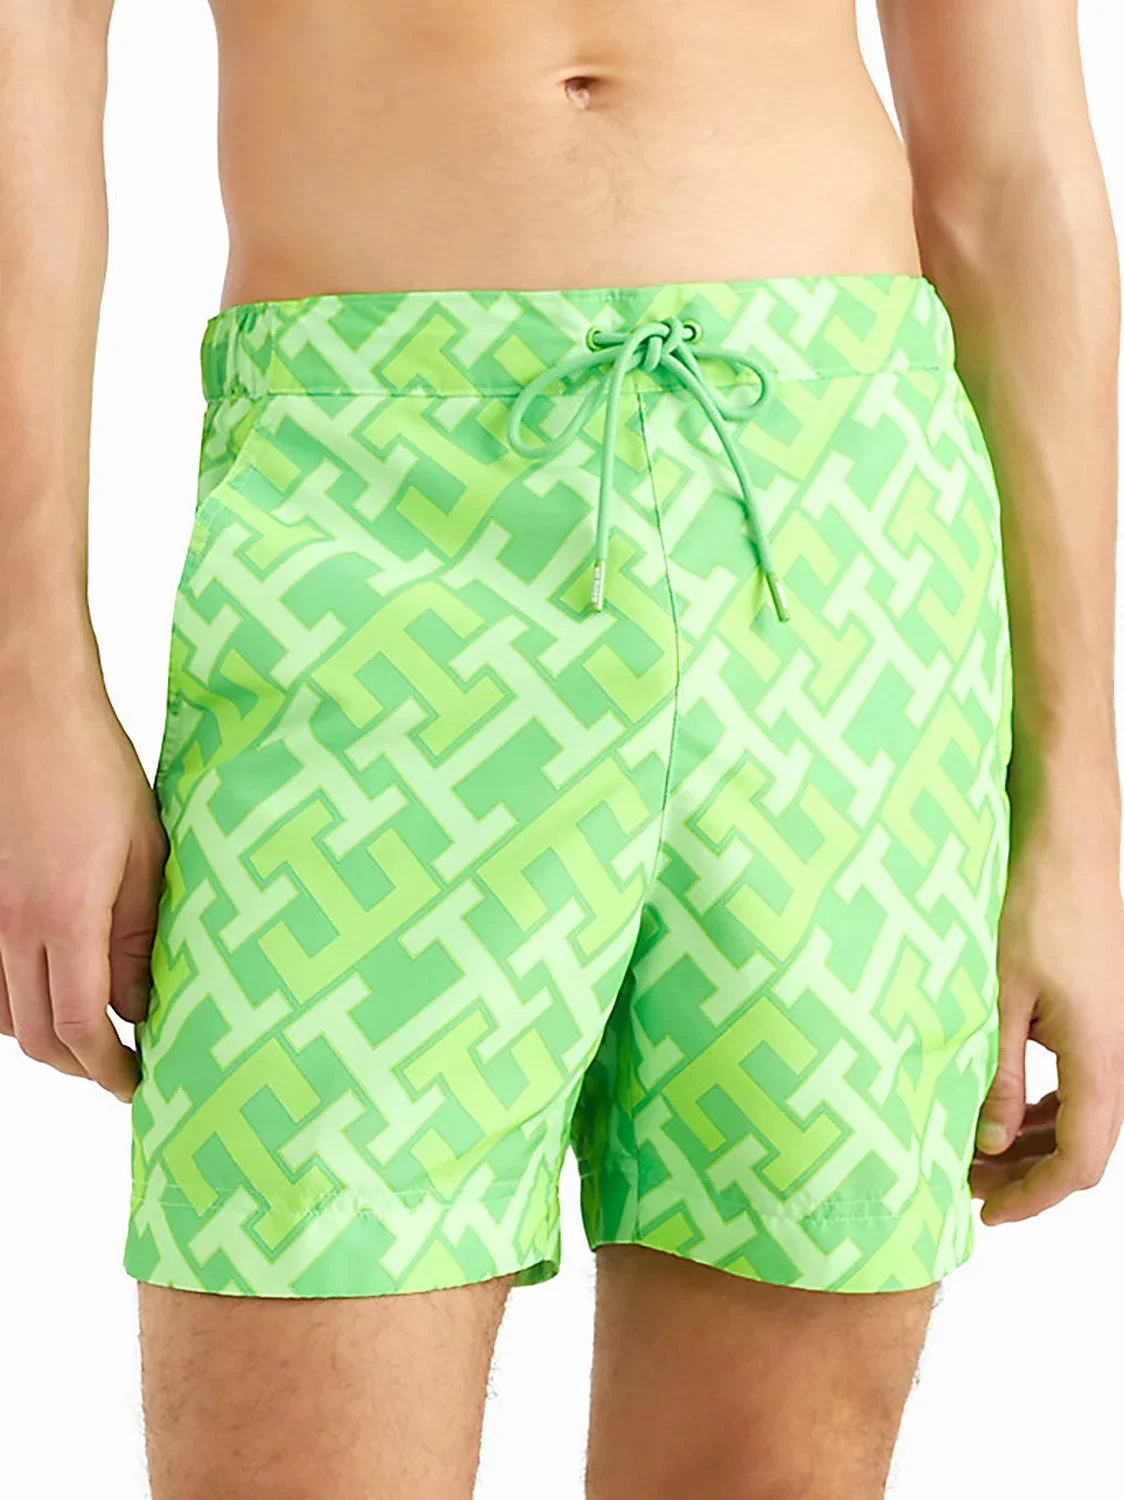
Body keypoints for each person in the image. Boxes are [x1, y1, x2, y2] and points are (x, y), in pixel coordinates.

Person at [1, 1, 1122, 1496]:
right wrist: (27, 690)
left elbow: (1013, 165)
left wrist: (1079, 813)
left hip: (840, 529)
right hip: (366, 524)